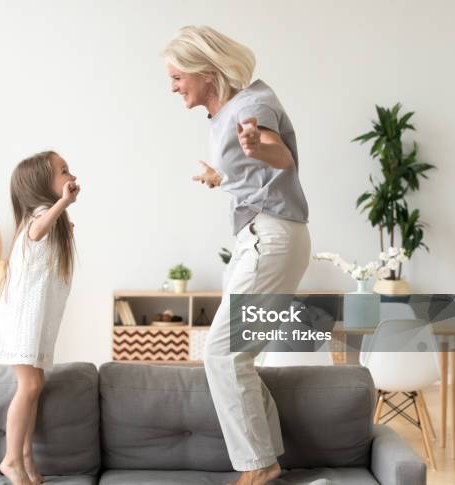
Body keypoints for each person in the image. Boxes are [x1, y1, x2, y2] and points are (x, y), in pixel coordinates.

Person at [163, 26, 311, 485]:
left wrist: (257, 144)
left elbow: (278, 155)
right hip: (264, 238)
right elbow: (258, 179)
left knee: (223, 354)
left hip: (270, 240)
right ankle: (265, 461)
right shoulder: (230, 110)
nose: (172, 86)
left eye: (177, 76)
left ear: (206, 72)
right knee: (237, 356)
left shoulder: (250, 107)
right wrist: (220, 178)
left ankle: (258, 466)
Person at [0, 150, 80, 485]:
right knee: (28, 385)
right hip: (20, 321)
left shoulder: (50, 219)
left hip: (35, 321)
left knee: (35, 384)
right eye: (63, 171)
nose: (70, 175)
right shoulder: (39, 216)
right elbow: (37, 231)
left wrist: (63, 222)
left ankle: (26, 456)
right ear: (42, 186)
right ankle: (11, 459)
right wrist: (63, 206)